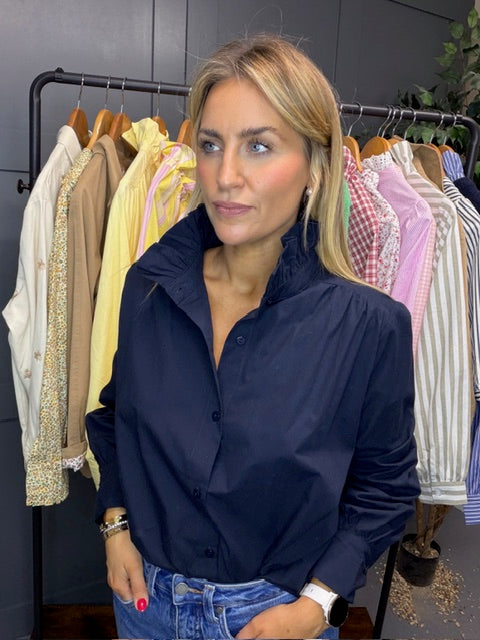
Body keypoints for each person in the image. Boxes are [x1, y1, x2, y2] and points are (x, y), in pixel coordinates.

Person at [86, 34, 420, 640]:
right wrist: (115, 526)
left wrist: (317, 607)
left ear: (316, 166)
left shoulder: (368, 326)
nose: (225, 176)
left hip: (273, 614)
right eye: (211, 144)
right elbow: (116, 420)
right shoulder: (150, 287)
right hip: (145, 604)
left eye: (258, 146)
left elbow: (385, 490)